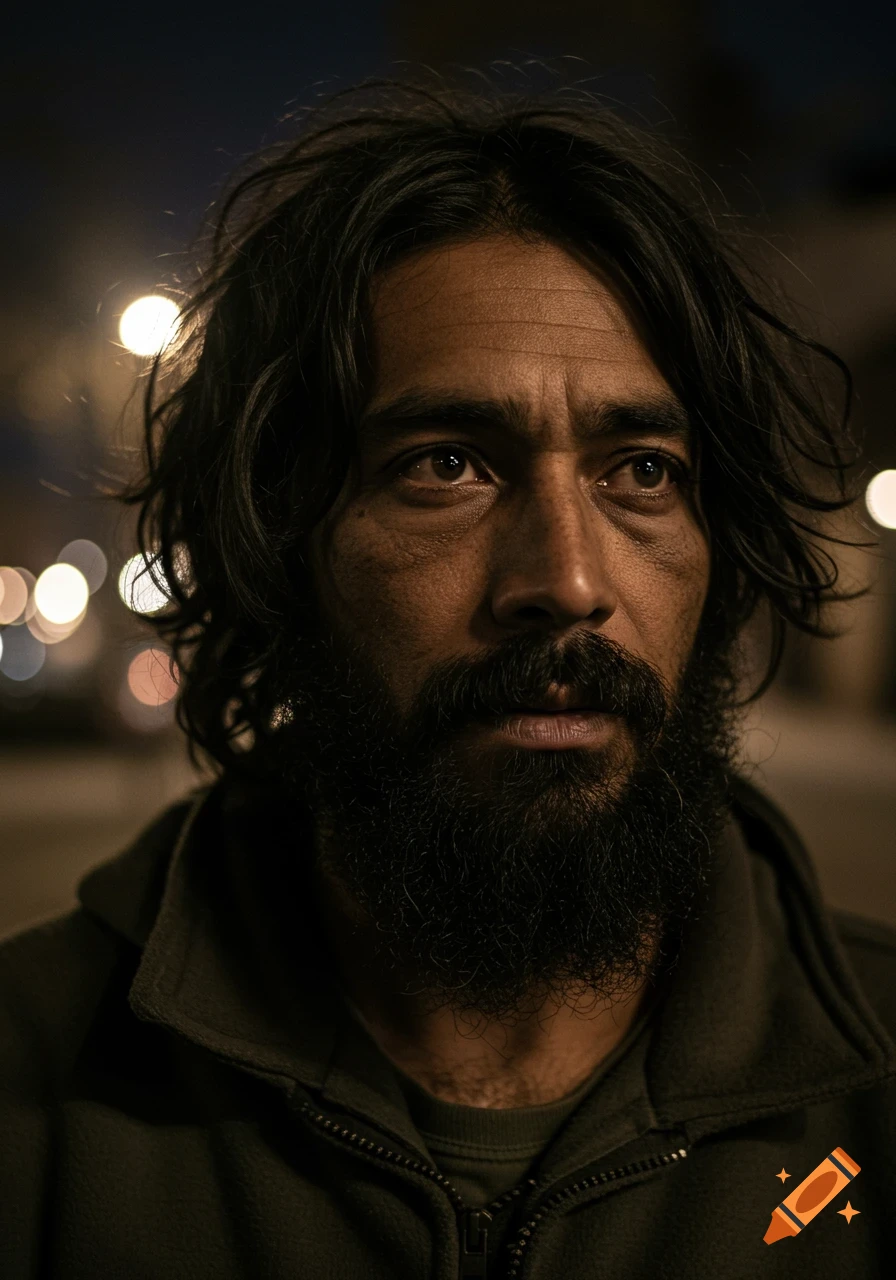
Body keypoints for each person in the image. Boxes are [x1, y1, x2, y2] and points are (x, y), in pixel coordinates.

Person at [2, 73, 894, 1280]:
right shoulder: (35, 1080)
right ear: (278, 542)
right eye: (446, 464)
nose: (567, 578)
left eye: (640, 471)